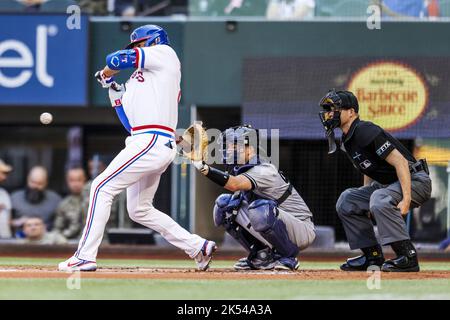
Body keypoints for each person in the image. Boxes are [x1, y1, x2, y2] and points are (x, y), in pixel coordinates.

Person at [58, 24, 216, 272]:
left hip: (152, 139)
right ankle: (197, 246)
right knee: (139, 209)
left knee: (100, 187)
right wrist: (111, 87)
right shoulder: (137, 82)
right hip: (145, 140)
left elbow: (116, 59)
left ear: (152, 41)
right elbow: (129, 123)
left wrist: (107, 71)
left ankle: (84, 256)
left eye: (139, 44)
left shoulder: (165, 54)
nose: (136, 49)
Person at [318, 89, 432, 272]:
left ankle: (408, 256)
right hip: (390, 184)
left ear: (351, 112)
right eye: (328, 109)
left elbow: (401, 163)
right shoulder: (348, 139)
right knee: (347, 200)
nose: (329, 113)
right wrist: (365, 199)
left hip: (416, 180)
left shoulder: (364, 130)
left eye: (334, 108)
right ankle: (372, 257)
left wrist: (406, 199)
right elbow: (367, 168)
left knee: (379, 198)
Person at [192, 125, 315, 271]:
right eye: (229, 145)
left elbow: (234, 184)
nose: (229, 149)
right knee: (224, 206)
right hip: (279, 220)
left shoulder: (263, 170)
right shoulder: (242, 169)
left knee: (259, 208)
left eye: (235, 145)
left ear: (250, 149)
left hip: (301, 229)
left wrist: (203, 167)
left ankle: (288, 257)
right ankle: (261, 255)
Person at [11, 166, 62, 232]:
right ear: (28, 179)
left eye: (40, 184)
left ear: (46, 183)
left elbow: (61, 225)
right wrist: (16, 222)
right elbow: (5, 223)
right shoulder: (14, 198)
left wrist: (47, 226)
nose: (35, 186)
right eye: (33, 182)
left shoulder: (56, 200)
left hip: (46, 240)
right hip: (17, 240)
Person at [54, 167, 87, 239]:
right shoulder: (64, 204)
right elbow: (57, 230)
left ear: (85, 180)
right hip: (72, 243)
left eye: (79, 180)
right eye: (72, 180)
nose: (76, 184)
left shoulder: (95, 199)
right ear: (67, 182)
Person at [0, 159, 13, 239]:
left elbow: (9, 220)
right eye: (2, 173)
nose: (5, 177)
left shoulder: (4, 194)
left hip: (5, 239)